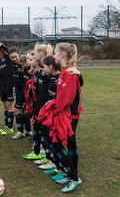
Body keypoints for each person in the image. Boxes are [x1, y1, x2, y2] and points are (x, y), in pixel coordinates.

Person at [51, 43, 83, 193]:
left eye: (55, 52)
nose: (54, 55)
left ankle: (74, 178)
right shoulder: (66, 72)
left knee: (58, 144)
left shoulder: (69, 74)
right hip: (69, 114)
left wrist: (53, 111)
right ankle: (71, 174)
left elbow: (64, 100)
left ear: (62, 54)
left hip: (69, 115)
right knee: (70, 145)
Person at [0, 43, 15, 136]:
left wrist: (0, 46)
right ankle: (7, 126)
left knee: (9, 105)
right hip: (1, 86)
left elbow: (7, 50)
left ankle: (10, 128)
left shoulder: (8, 58)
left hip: (9, 85)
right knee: (5, 106)